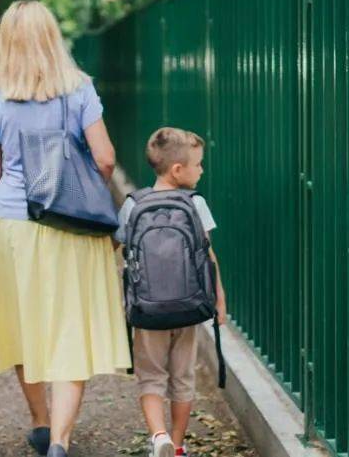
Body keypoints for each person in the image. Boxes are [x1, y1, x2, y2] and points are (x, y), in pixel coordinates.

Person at [0, 0, 131, 457]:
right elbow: (104, 158)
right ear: (52, 38)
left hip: (13, 229)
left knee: (24, 326)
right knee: (69, 328)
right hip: (70, 228)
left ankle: (41, 422)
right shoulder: (80, 91)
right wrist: (77, 191)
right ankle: (61, 439)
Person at [115, 128, 227, 457]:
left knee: (151, 377)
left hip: (148, 310)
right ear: (178, 169)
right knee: (183, 377)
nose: (202, 170)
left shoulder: (133, 204)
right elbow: (209, 255)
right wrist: (218, 298)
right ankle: (178, 447)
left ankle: (158, 436)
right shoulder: (195, 203)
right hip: (190, 305)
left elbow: (121, 247)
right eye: (198, 164)